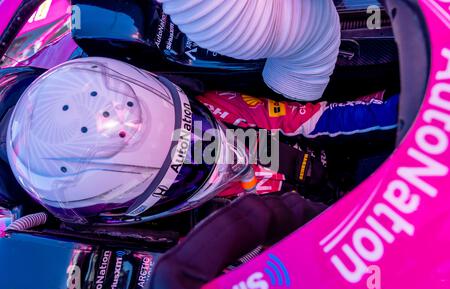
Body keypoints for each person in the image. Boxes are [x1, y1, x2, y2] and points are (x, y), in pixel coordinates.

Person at [3, 57, 399, 227]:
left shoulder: (218, 109)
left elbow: (327, 119)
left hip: (349, 181)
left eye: (197, 136)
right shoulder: (164, 245)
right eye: (187, 170)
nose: (221, 153)